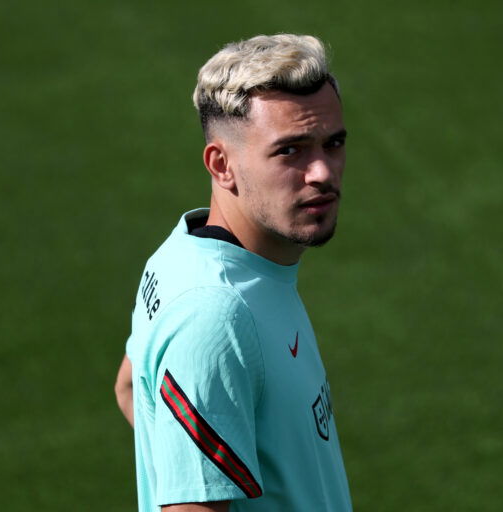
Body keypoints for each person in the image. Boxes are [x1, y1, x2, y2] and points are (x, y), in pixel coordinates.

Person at [115, 34, 352, 512]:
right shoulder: (215, 315)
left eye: (334, 143)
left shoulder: (186, 249)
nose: (323, 172)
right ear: (221, 164)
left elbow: (129, 386)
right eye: (291, 151)